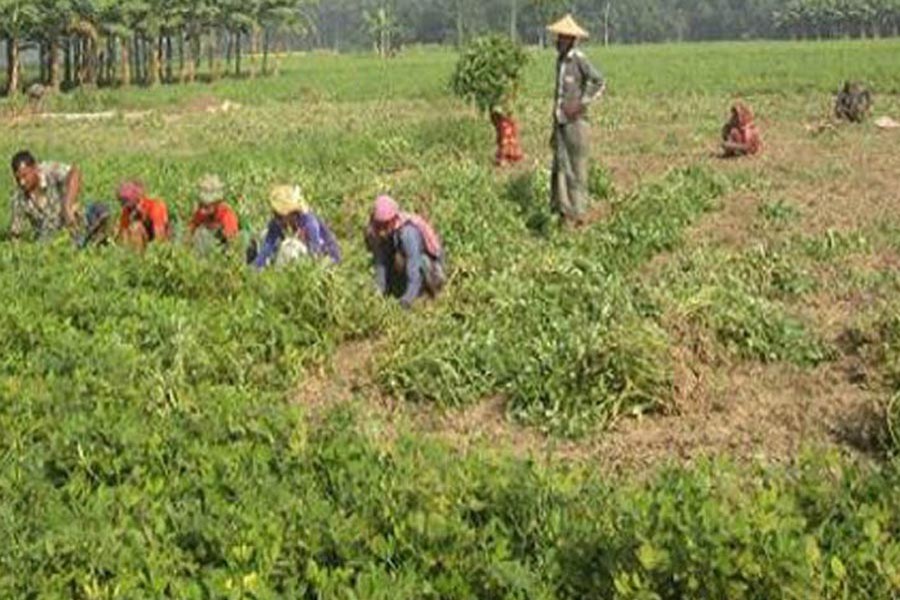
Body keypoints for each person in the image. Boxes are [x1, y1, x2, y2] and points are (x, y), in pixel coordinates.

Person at [547, 14, 606, 227]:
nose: (558, 41)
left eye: (562, 38)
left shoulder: (579, 59)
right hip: (560, 122)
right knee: (561, 167)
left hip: (576, 124)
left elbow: (599, 82)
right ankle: (564, 212)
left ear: (571, 40)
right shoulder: (560, 61)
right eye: (558, 37)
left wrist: (582, 103)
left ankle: (579, 212)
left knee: (577, 169)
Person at [365, 195, 445, 309]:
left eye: (384, 225)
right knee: (388, 250)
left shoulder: (408, 233)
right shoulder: (385, 230)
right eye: (378, 225)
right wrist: (378, 291)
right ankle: (399, 287)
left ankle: (425, 293)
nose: (381, 231)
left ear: (392, 221)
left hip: (429, 267)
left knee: (421, 263)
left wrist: (406, 300)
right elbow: (380, 262)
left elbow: (414, 269)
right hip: (408, 259)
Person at [250, 185, 341, 269]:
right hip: (303, 253)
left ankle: (281, 278)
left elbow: (315, 252)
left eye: (279, 215)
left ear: (291, 214)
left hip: (324, 257)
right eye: (274, 214)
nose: (276, 218)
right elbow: (268, 243)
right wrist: (256, 266)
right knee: (264, 234)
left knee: (289, 247)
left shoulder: (309, 224)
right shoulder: (278, 222)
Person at [9, 150, 83, 240]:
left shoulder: (48, 171)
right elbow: (16, 233)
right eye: (18, 178)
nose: (22, 182)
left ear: (35, 168)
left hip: (70, 222)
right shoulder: (19, 198)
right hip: (47, 235)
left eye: (25, 175)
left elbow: (74, 173)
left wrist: (67, 207)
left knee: (98, 211)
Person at [187, 174, 240, 246]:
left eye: (206, 206)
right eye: (201, 204)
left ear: (216, 203)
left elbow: (232, 240)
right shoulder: (201, 213)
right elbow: (191, 228)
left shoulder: (226, 214)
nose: (203, 209)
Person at [116, 180, 170, 250]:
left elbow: (159, 237)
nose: (123, 205)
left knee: (136, 227)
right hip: (143, 244)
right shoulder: (127, 211)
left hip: (160, 245)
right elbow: (122, 234)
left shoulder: (155, 207)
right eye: (121, 202)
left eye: (125, 201)